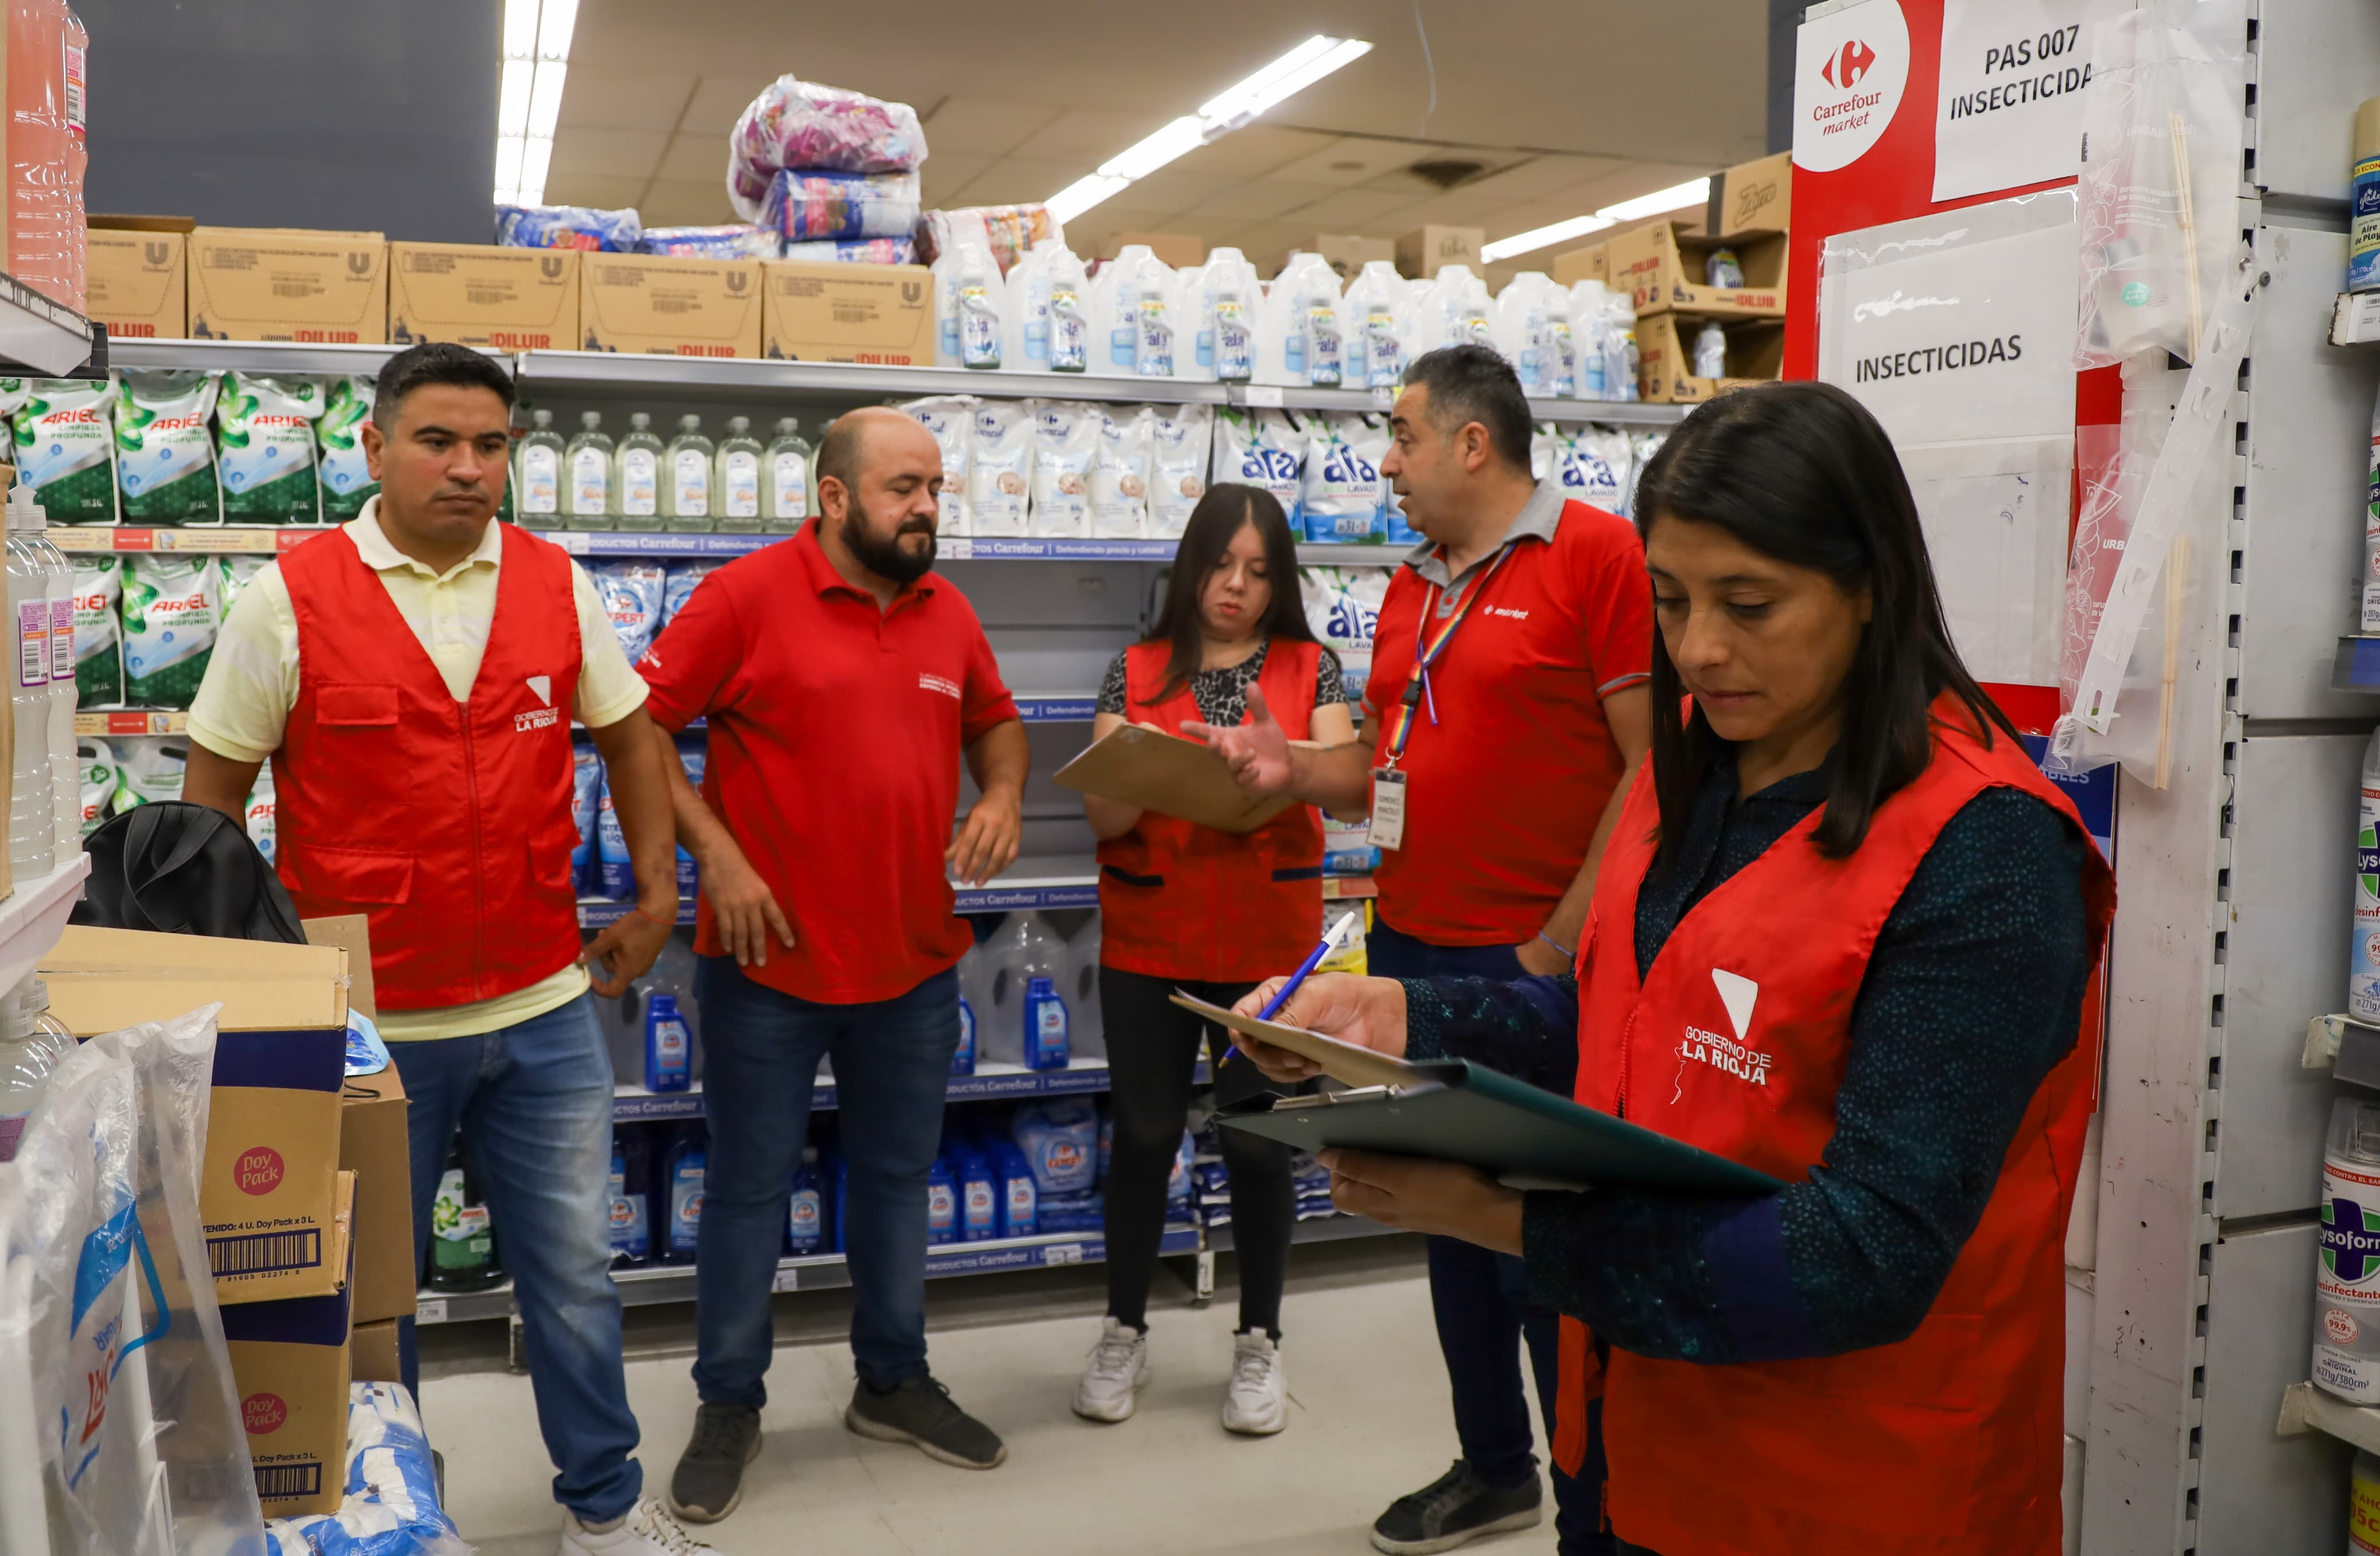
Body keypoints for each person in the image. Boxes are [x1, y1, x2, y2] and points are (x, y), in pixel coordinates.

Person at [1232, 381, 2114, 1556]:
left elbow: (1868, 1253)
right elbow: (1619, 1017)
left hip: (1847, 1491)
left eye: (1748, 604)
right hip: (1636, 1431)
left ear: (1869, 588)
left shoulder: (1986, 854)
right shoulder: (1689, 768)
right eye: (1671, 599)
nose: (1697, 650)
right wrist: (1398, 1013)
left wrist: (1502, 1225)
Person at [182, 342, 702, 1556]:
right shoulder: (290, 597)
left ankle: (608, 1511)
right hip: (369, 1030)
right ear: (374, 449)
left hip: (541, 1004)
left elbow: (630, 736)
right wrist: (238, 984)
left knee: (574, 1281)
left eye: (492, 446)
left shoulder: (553, 582)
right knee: (374, 1308)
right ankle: (401, 1516)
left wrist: (657, 885)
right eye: (438, 441)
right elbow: (209, 809)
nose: (469, 469)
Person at [1193, 344, 1651, 1554]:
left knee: (1542, 1241)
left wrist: (1558, 940)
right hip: (1416, 952)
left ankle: (1593, 1502)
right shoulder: (1412, 584)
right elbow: (1381, 767)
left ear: (1470, 441)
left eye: (1399, 437)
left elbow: (1655, 768)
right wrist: (1287, 764)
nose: (1382, 464)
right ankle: (1493, 1464)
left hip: (1536, 970)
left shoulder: (1596, 558)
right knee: (1449, 1228)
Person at [634, 406, 1029, 1523]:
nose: (926, 508)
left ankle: (892, 1380)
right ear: (836, 496)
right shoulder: (744, 597)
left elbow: (997, 726)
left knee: (897, 1180)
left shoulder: (948, 613)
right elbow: (639, 725)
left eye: (937, 487)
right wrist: (718, 857)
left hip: (911, 962)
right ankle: (728, 1403)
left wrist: (1000, 792)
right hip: (767, 965)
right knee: (749, 1191)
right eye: (905, 486)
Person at [1072, 483, 1359, 1433]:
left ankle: (1260, 1341)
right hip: (1154, 940)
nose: (1234, 587)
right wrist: (1135, 769)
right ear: (1190, 565)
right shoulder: (1137, 667)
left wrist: (1284, 766)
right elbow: (1106, 814)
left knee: (1257, 1143)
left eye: (1258, 571)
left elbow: (1348, 780)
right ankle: (1123, 1327)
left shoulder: (1312, 669)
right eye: (1220, 564)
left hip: (1271, 949)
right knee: (1147, 1137)